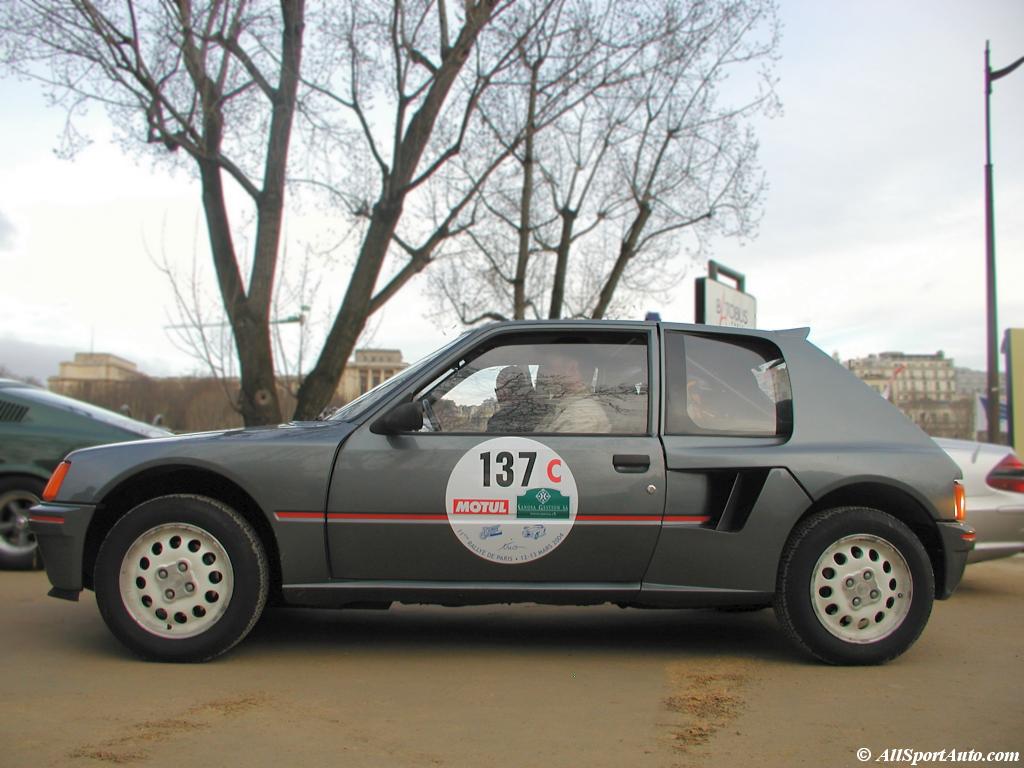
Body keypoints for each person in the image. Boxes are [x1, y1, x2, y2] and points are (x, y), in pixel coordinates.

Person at [535, 347, 610, 433]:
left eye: (549, 367)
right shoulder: (564, 406)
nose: (543, 373)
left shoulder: (580, 415)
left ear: (572, 368)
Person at [486, 365, 544, 433]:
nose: (499, 396)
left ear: (516, 391)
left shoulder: (500, 420)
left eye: (502, 391)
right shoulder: (542, 411)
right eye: (497, 391)